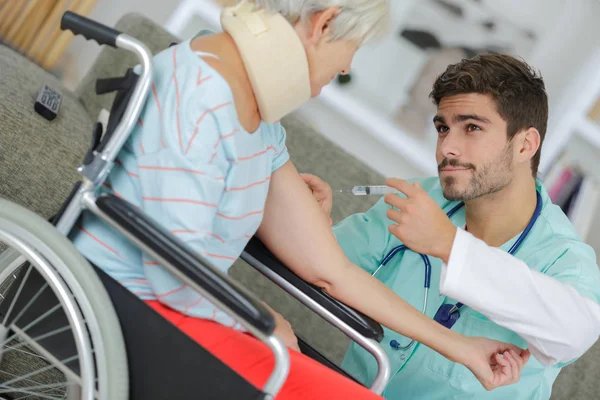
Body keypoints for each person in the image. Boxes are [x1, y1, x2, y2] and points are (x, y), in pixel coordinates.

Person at [70, 1, 529, 398]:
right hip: (127, 309)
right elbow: (171, 274)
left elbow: (332, 270)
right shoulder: (201, 97)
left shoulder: (257, 115)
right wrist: (261, 320)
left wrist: (461, 348)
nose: (348, 66)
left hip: (189, 316)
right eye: (355, 48)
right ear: (323, 24)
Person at [302, 53, 600, 398]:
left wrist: (448, 245)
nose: (447, 148)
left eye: (472, 127)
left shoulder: (564, 259)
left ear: (525, 145)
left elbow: (574, 334)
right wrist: (314, 222)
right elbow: (323, 266)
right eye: (443, 128)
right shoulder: (421, 201)